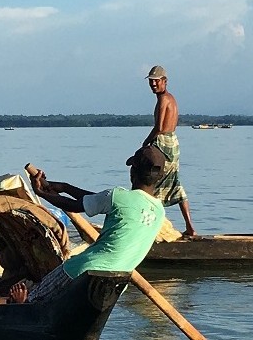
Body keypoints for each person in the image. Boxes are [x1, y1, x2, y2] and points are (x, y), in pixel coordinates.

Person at [20, 146, 167, 302]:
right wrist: (64, 188)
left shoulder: (116, 196)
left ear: (132, 172)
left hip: (82, 269)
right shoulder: (159, 211)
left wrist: (41, 193)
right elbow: (98, 199)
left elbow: (74, 206)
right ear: (160, 177)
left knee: (33, 299)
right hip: (117, 282)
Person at [143, 65, 197, 238]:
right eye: (151, 82)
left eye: (156, 81)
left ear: (164, 81)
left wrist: (145, 143)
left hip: (164, 141)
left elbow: (159, 127)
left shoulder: (163, 99)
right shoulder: (171, 98)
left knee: (151, 184)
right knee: (175, 184)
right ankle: (189, 227)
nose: (153, 85)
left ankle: (150, 229)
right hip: (173, 141)